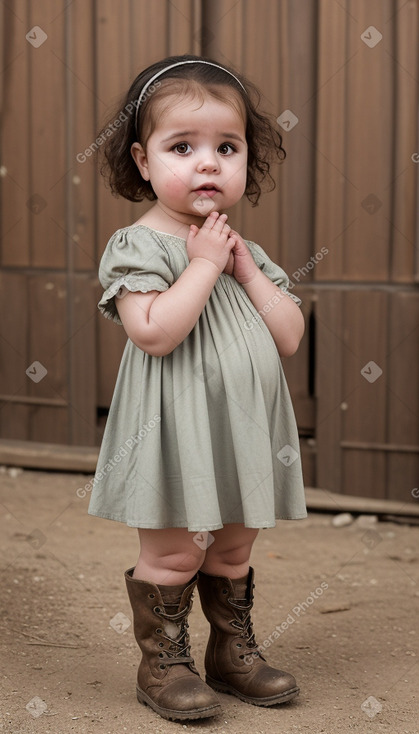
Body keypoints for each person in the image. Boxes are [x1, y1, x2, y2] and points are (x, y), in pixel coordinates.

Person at [88, 54, 307, 722]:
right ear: (143, 160)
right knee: (178, 548)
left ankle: (231, 653)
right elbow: (154, 331)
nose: (207, 163)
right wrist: (205, 267)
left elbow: (290, 335)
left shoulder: (239, 249)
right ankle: (164, 663)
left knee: (234, 544)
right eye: (182, 146)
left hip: (240, 428)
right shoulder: (140, 244)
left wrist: (243, 272)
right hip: (172, 429)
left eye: (226, 147)